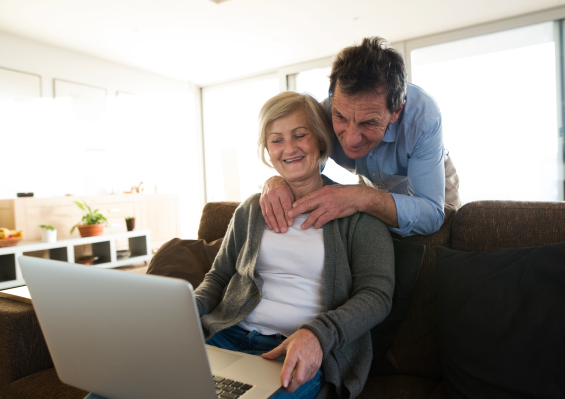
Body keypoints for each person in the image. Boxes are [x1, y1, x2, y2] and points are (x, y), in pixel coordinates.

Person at [84, 91, 394, 399]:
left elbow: (376, 295)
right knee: (114, 388)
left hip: (296, 351)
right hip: (225, 335)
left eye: (300, 135)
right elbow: (219, 275)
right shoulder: (251, 210)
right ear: (266, 150)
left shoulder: (358, 212)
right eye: (276, 140)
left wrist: (318, 335)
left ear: (321, 140)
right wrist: (185, 311)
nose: (289, 148)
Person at [260, 37, 460, 238]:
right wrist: (276, 181)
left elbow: (431, 215)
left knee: (443, 237)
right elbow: (304, 167)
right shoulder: (323, 114)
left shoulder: (423, 117)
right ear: (332, 97)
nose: (351, 140)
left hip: (431, 181)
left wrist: (363, 197)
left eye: (369, 122)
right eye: (341, 117)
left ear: (396, 111)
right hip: (370, 184)